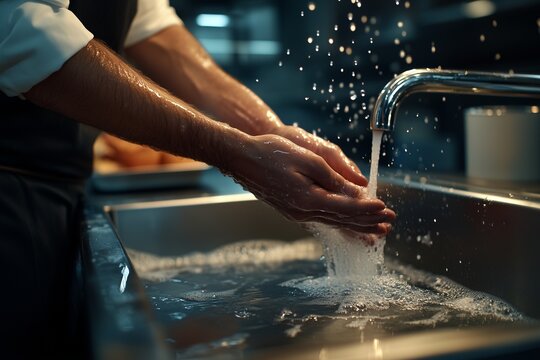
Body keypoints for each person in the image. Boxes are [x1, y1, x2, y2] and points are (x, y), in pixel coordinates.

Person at [0, 0, 395, 356]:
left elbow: (152, 28)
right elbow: (22, 30)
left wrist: (268, 130)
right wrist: (232, 152)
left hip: (61, 191)